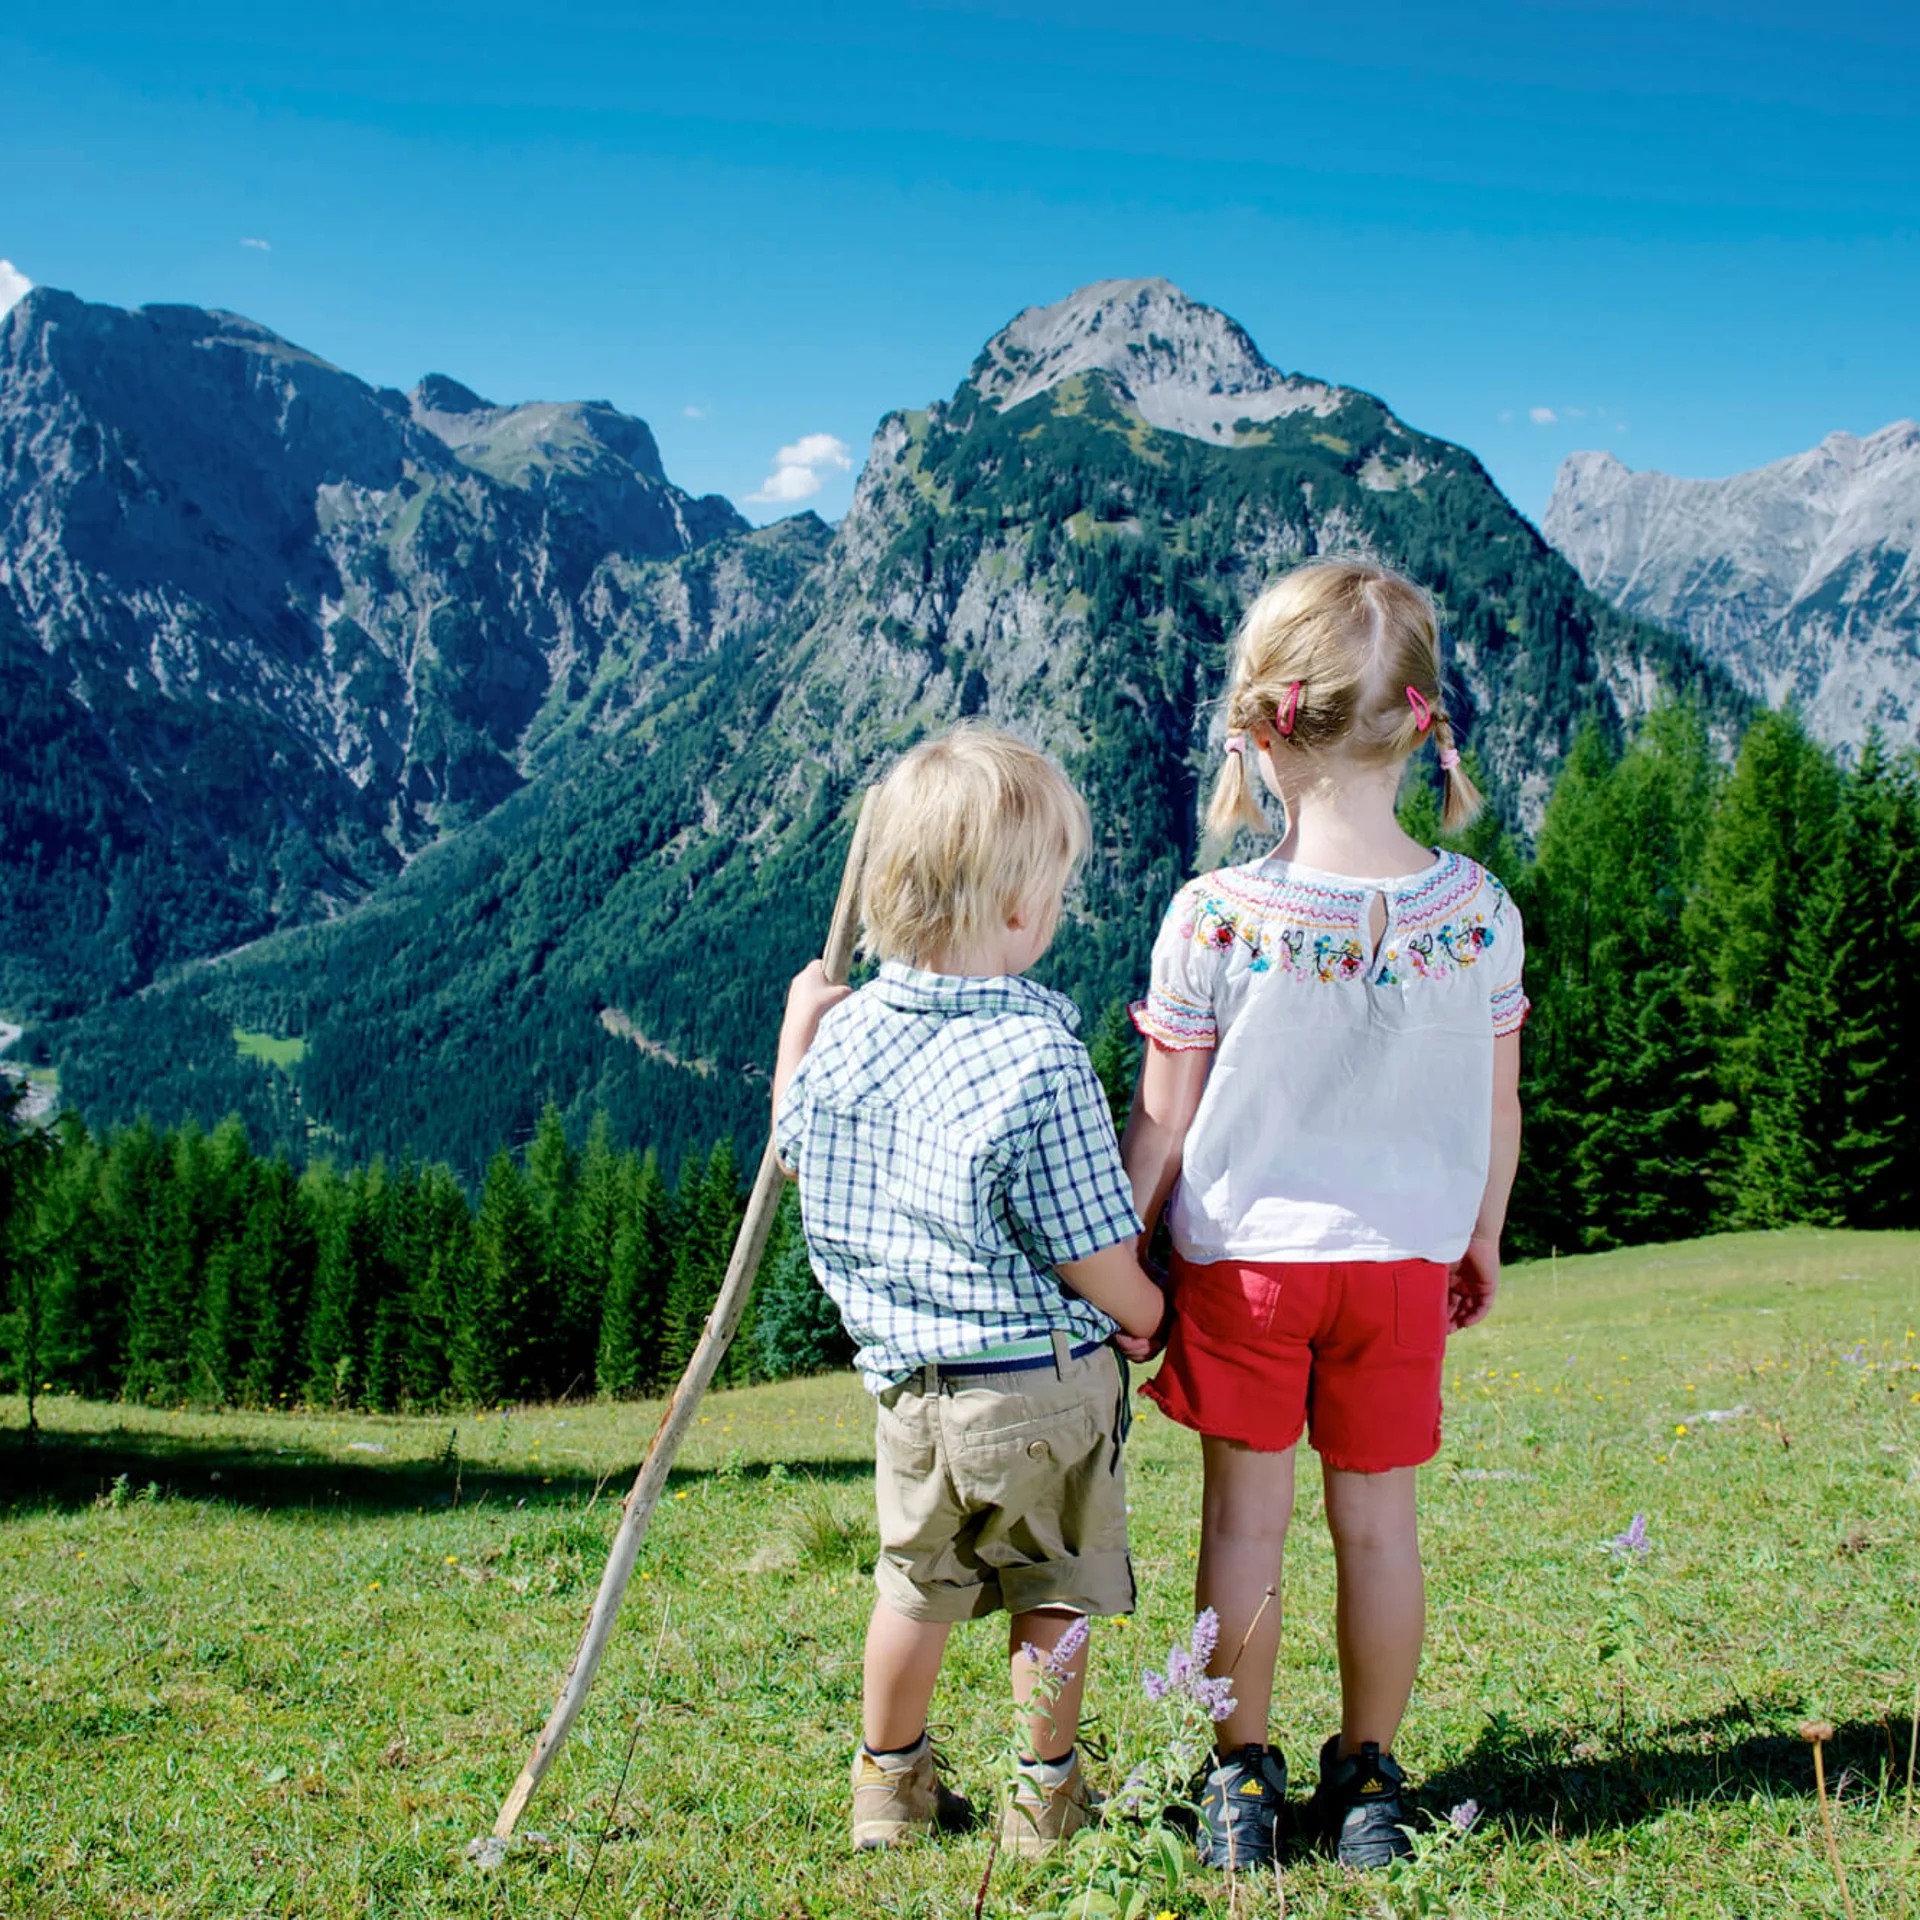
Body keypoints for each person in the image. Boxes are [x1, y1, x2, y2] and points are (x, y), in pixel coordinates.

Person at [1121, 557, 1526, 1870]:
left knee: (1244, 1525)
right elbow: (1496, 1104)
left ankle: (1239, 1779)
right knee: (1379, 1529)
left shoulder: (1216, 918)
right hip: (1401, 1265)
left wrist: (1126, 1245)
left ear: (1261, 728)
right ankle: (1370, 1779)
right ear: (1421, 722)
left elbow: (1164, 1126)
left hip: (1245, 1273)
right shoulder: (1478, 913)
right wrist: (1479, 1232)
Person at [773, 727, 1166, 1857]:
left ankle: (886, 1792)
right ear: (1010, 910)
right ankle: (1045, 1800)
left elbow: (793, 1150)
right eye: (1051, 893)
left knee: (912, 1588)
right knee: (1052, 1590)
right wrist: (1144, 1317)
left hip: (907, 1396)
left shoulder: (843, 1045)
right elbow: (1090, 1244)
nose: (1055, 913)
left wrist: (800, 1032)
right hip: (1037, 1385)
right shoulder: (1039, 1060)